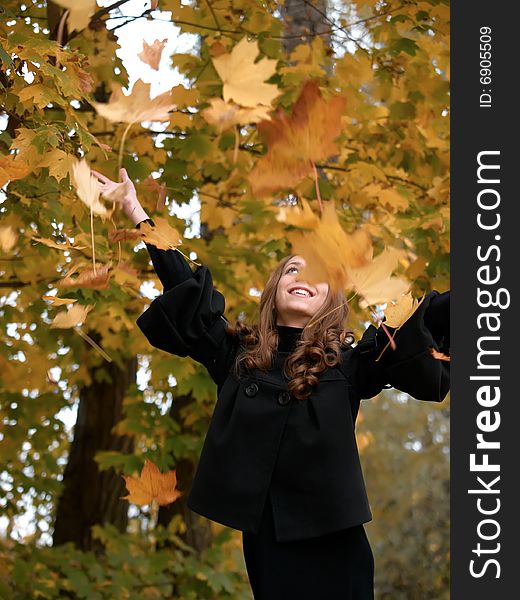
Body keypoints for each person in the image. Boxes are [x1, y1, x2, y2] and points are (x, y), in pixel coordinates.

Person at [93, 168, 450, 599]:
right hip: (269, 542)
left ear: (331, 301)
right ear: (275, 290)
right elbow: (185, 286)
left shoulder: (350, 364)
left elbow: (422, 321)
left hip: (336, 540)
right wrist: (135, 210)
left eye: (317, 273)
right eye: (292, 270)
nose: (302, 276)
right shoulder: (238, 358)